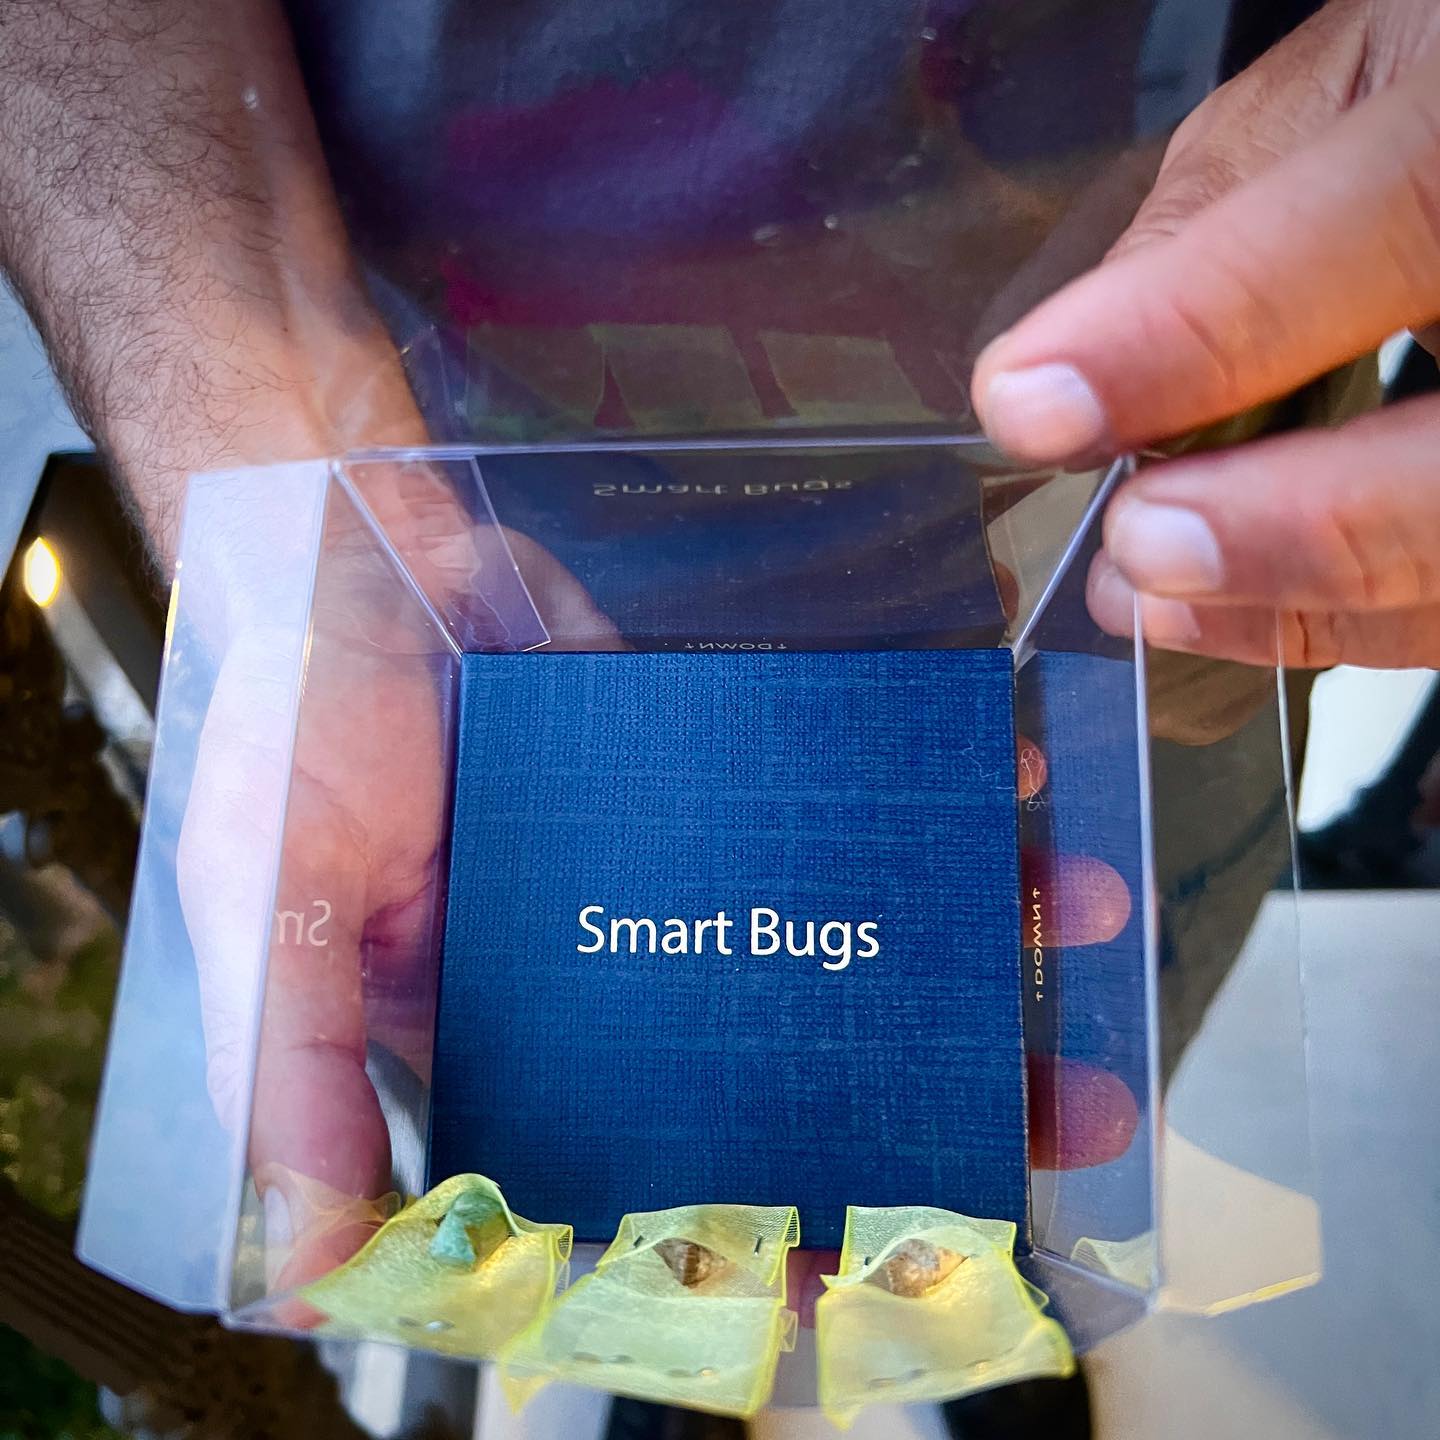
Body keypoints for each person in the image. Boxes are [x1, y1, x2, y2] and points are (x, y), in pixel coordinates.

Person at [4, 1, 1438, 1434]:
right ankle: (680, 1358)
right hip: (482, 613)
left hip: (1158, 580)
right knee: (608, 1148)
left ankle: (1008, 1324)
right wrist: (312, 552)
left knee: (1064, 1092)